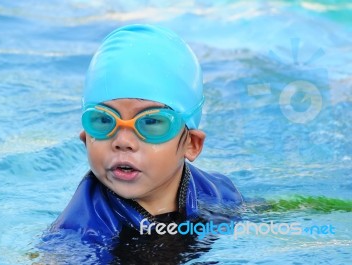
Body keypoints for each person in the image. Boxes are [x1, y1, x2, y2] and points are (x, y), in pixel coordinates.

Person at [44, 24, 243, 263]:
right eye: (104, 121)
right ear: (86, 139)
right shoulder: (81, 233)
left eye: (151, 123)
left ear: (191, 144)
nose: (123, 141)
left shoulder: (219, 193)